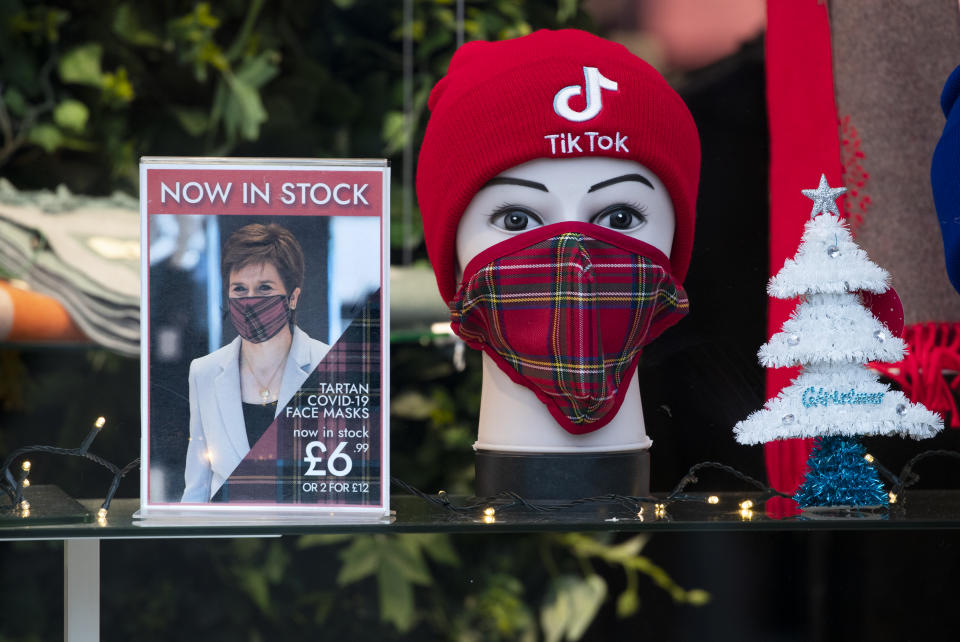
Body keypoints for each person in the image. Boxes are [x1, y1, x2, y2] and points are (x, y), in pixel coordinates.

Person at [181, 223, 329, 502]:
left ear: (293, 297)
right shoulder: (204, 371)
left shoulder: (328, 366)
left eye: (264, 289)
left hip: (306, 533)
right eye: (239, 289)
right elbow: (197, 485)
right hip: (226, 535)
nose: (250, 300)